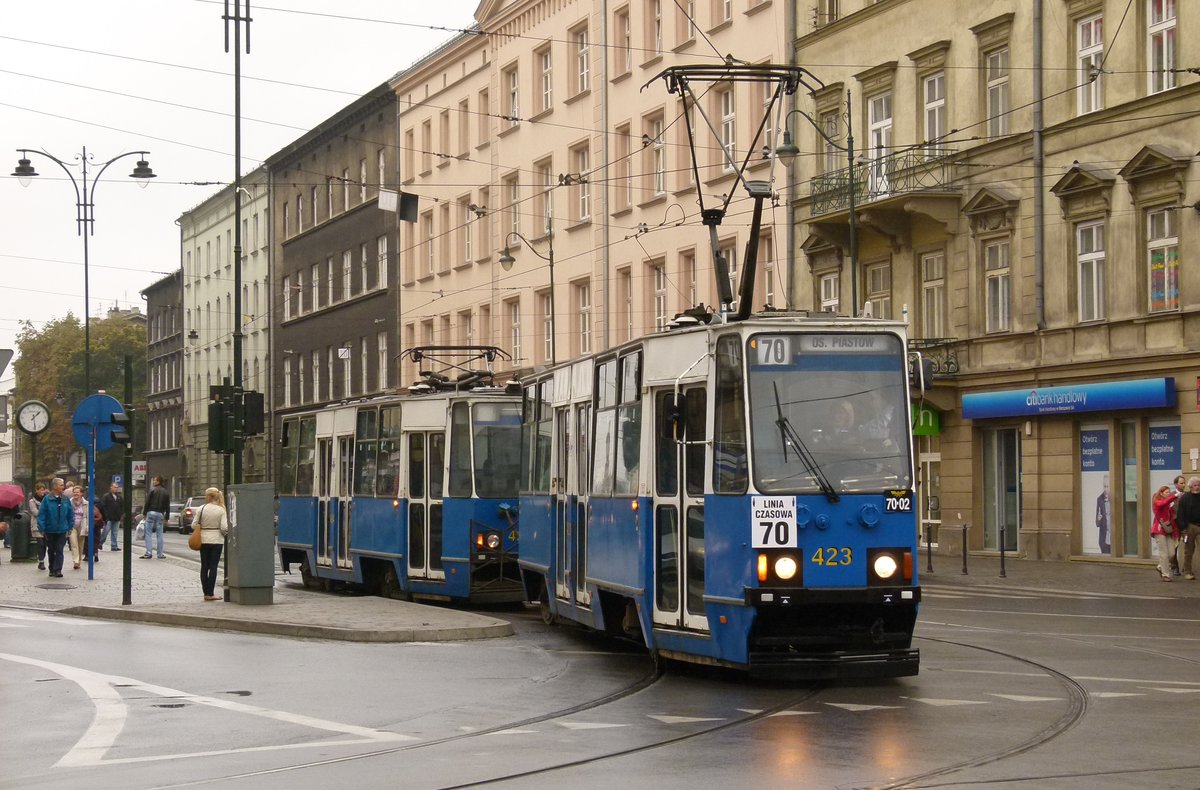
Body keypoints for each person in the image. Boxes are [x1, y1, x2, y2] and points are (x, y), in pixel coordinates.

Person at [194, 487, 229, 601]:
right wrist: (223, 534)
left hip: (203, 539)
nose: (205, 497)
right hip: (217, 540)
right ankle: (211, 593)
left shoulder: (201, 508)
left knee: (204, 566)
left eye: (206, 495)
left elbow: (194, 525)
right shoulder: (221, 510)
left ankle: (205, 593)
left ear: (209, 496)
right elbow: (224, 528)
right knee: (213, 567)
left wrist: (202, 528)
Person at [37, 478, 73, 578]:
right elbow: (42, 514)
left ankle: (58, 570)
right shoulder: (47, 499)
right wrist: (42, 528)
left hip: (62, 529)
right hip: (50, 529)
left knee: (59, 549)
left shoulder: (65, 499)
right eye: (61, 485)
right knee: (51, 550)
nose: (63, 487)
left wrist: (70, 526)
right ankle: (52, 568)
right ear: (55, 486)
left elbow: (70, 514)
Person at [1151, 485, 1181, 582]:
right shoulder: (1157, 502)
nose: (1169, 494)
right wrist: (1175, 495)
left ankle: (1160, 566)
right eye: (1167, 492)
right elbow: (1162, 504)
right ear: (1161, 493)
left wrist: (1175, 533)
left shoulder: (1168, 506)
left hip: (1168, 530)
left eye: (1169, 492)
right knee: (1163, 553)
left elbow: (1172, 520)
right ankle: (1165, 575)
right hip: (1159, 530)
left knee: (1172, 553)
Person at [1175, 476, 1200, 581]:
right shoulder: (1185, 498)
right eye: (1195, 485)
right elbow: (1180, 514)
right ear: (1190, 486)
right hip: (1190, 526)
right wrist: (1183, 529)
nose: (1197, 487)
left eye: (1199, 485)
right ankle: (1188, 572)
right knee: (1188, 551)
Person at [142, 476, 170, 559]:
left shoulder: (152, 490)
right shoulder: (166, 492)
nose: (153, 481)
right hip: (160, 514)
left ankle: (148, 552)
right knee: (160, 534)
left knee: (148, 533)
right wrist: (167, 517)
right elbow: (167, 506)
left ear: (158, 481)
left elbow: (147, 502)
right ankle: (160, 554)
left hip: (151, 512)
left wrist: (144, 513)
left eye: (154, 480)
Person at [1168, 475, 1187, 576]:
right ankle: (1175, 567)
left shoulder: (1187, 495)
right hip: (1175, 525)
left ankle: (1186, 567)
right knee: (1174, 546)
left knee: (1187, 545)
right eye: (1181, 483)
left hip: (1185, 525)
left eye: (1184, 483)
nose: (1183, 485)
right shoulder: (1171, 495)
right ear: (1176, 484)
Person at [28, 482, 47, 571]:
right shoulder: (32, 501)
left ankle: (42, 560)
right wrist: (45, 512)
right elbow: (35, 512)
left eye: (43, 490)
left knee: (45, 545)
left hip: (46, 525)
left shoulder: (47, 499)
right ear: (37, 490)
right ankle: (41, 561)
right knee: (40, 544)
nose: (42, 492)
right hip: (37, 525)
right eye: (41, 490)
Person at [101, 482, 123, 551]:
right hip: (109, 518)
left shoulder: (119, 496)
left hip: (117, 517)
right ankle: (100, 543)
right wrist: (105, 516)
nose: (116, 489)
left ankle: (114, 546)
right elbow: (103, 506)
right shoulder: (106, 496)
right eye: (114, 487)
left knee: (115, 532)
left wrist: (121, 514)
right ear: (111, 488)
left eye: (117, 487)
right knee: (106, 531)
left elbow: (122, 506)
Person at [1095, 475, 1112, 554]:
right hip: (1104, 540)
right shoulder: (1100, 499)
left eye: (1108, 486)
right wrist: (1099, 519)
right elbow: (1097, 524)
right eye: (1104, 486)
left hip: (1114, 539)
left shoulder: (1115, 498)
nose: (1106, 489)